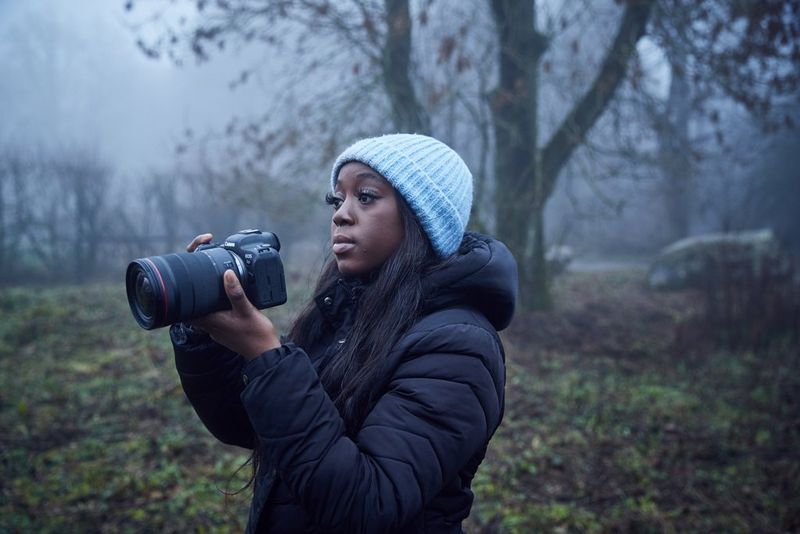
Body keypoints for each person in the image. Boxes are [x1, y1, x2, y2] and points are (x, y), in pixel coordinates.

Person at [170, 133, 518, 533]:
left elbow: (366, 505)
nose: (341, 214)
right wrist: (205, 338)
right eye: (338, 199)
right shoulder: (344, 313)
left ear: (422, 218)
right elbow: (255, 428)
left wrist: (266, 355)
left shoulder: (458, 346)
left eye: (365, 196)